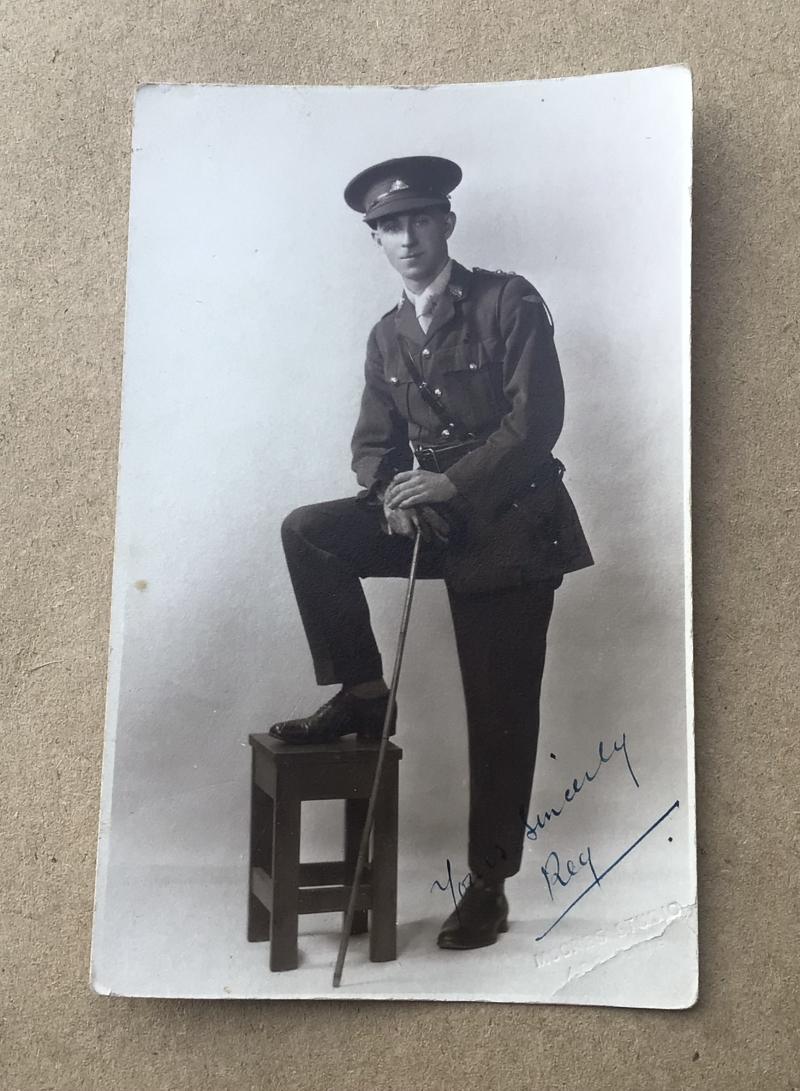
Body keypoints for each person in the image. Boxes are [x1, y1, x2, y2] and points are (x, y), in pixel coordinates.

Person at [269, 155, 593, 950]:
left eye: (420, 219)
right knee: (309, 529)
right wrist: (389, 499)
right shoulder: (386, 336)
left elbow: (535, 424)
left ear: (447, 223)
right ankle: (366, 694)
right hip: (436, 523)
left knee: (500, 711)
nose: (407, 237)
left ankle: (489, 885)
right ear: (374, 239)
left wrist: (448, 486)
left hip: (514, 524)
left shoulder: (508, 301)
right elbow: (374, 444)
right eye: (389, 226)